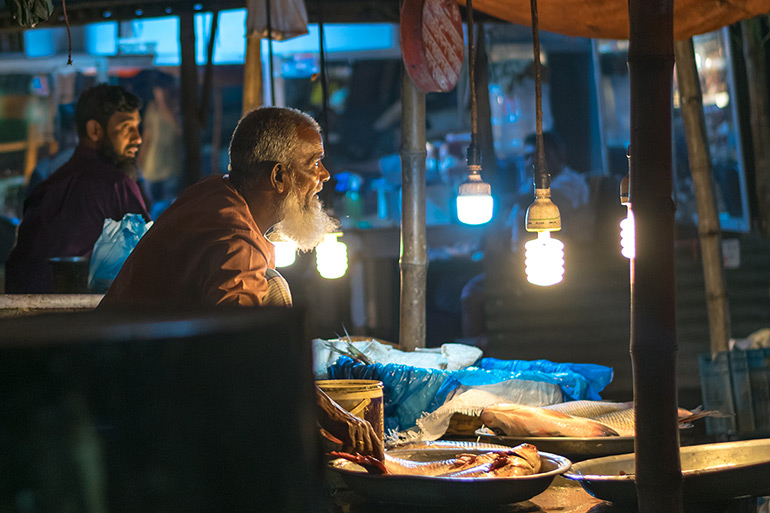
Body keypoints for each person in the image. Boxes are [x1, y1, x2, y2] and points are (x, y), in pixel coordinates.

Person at [99, 106, 384, 459]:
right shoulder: (236, 242)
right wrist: (327, 414)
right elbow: (246, 348)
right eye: (313, 164)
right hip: (131, 403)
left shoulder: (215, 193)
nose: (324, 175)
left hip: (121, 376)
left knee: (274, 287)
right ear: (279, 177)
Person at [5, 84, 151, 294]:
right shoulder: (116, 185)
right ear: (95, 131)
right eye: (127, 127)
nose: (137, 138)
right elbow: (152, 253)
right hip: (80, 318)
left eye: (137, 127)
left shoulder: (48, 186)